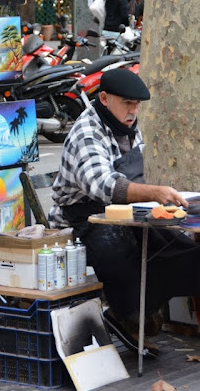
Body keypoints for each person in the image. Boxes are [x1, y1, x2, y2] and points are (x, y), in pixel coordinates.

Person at [48, 68, 198, 356]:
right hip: (83, 219)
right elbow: (102, 185)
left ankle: (139, 308)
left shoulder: (129, 125)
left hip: (128, 213)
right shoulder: (86, 132)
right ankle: (125, 312)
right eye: (127, 103)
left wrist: (159, 201)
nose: (133, 111)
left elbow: (138, 173)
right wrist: (154, 192)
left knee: (183, 251)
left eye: (137, 104)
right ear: (104, 98)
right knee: (116, 251)